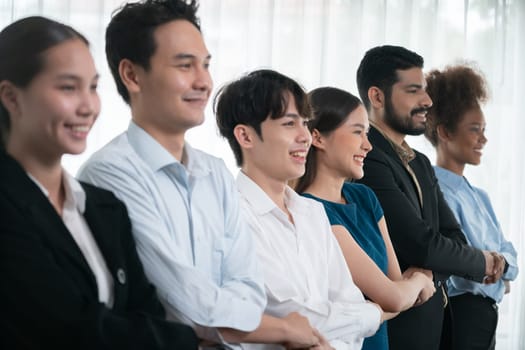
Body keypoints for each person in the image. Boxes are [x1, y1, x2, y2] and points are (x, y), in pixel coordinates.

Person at [78, 0, 319, 348]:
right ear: (132, 75)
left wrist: (225, 322)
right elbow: (190, 306)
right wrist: (280, 329)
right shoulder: (109, 175)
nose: (204, 81)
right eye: (185, 65)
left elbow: (251, 291)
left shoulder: (215, 172)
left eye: (205, 64)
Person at [0, 16, 198, 349]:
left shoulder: (104, 207)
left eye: (92, 87)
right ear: (11, 97)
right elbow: (73, 331)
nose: (88, 106)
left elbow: (148, 314)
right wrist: (187, 339)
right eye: (68, 87)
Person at [215, 69, 387, 350]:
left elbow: (349, 303)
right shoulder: (231, 216)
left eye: (305, 123)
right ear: (245, 136)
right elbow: (291, 317)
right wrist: (371, 314)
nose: (305, 136)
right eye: (289, 124)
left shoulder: (312, 212)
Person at [354, 45, 506, 350]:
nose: (427, 101)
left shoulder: (420, 162)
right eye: (413, 91)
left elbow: (454, 238)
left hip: (433, 328)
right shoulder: (365, 157)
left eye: (424, 90)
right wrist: (480, 261)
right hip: (395, 332)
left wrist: (427, 271)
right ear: (377, 97)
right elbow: (420, 244)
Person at [294, 86, 436, 350]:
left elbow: (394, 287)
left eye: (367, 133)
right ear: (317, 137)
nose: (368, 145)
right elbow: (395, 296)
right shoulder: (311, 211)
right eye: (358, 132)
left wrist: (389, 298)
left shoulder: (364, 197)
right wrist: (419, 280)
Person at [424, 63, 519, 350]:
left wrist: (498, 266)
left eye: (484, 129)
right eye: (475, 129)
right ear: (445, 132)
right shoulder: (433, 191)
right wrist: (494, 269)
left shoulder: (480, 196)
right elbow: (457, 262)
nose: (484, 139)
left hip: (486, 317)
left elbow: (509, 258)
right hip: (458, 316)